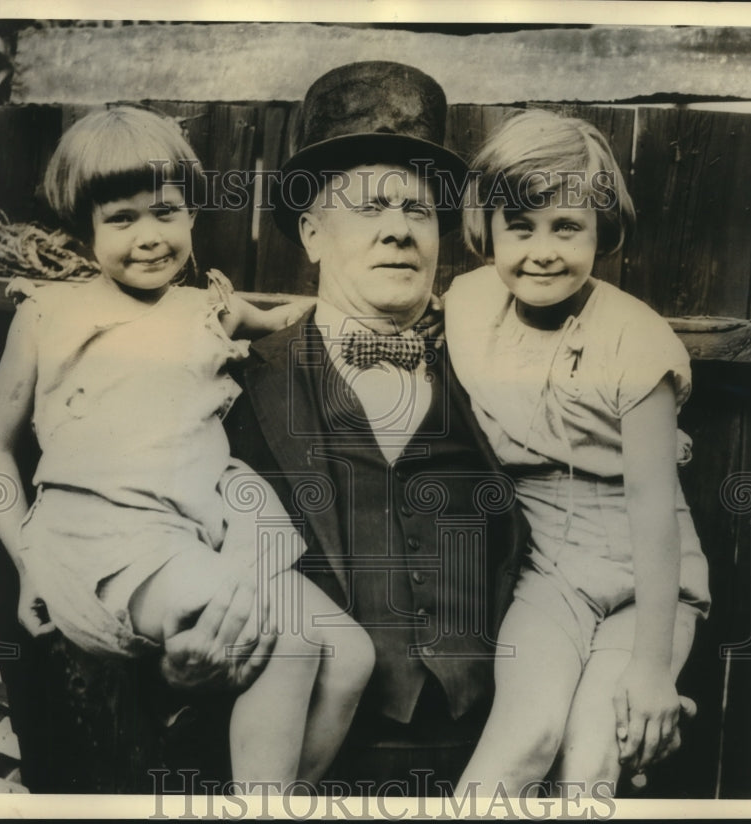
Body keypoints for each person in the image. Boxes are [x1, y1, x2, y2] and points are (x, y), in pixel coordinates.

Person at [0, 105, 374, 788]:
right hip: (102, 540)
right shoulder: (48, 313)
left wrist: (364, 312)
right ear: (87, 228)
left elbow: (294, 315)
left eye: (165, 212)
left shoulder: (210, 308)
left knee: (350, 655)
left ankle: (272, 797)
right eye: (121, 220)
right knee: (286, 642)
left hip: (204, 532)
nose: (149, 237)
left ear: (191, 212)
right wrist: (29, 562)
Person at [158, 61, 529, 792]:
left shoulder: (496, 376)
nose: (398, 230)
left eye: (417, 210)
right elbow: (150, 539)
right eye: (368, 207)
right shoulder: (231, 383)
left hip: (479, 767)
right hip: (297, 766)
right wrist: (176, 655)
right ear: (312, 234)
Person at [445, 109, 711, 797]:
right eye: (520, 226)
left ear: (601, 230)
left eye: (566, 227)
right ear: (487, 230)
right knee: (525, 736)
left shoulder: (635, 341)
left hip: (646, 578)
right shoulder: (468, 307)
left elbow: (652, 508)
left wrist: (651, 671)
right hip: (550, 570)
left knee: (592, 756)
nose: (542, 250)